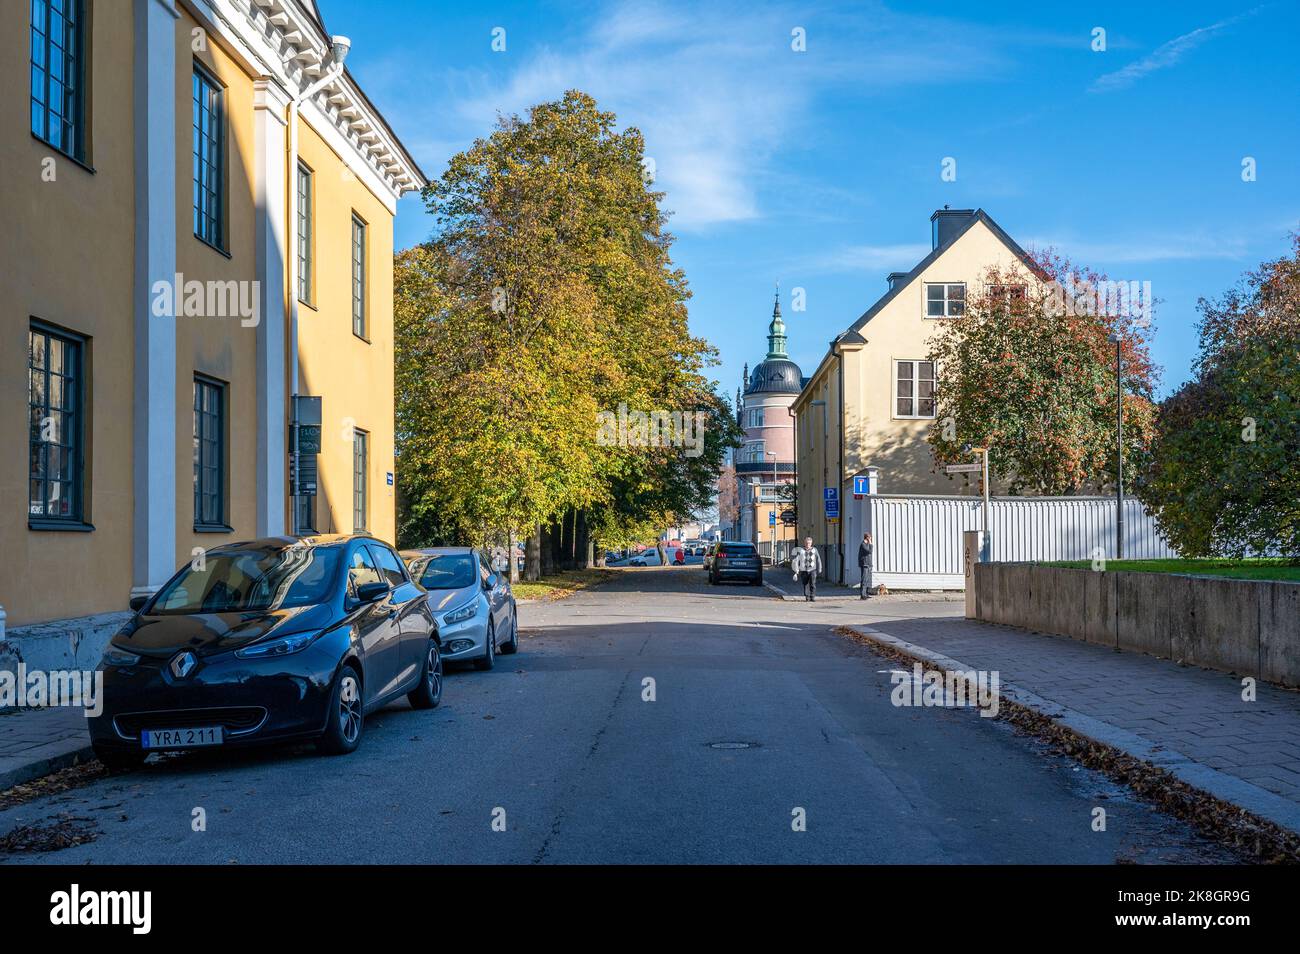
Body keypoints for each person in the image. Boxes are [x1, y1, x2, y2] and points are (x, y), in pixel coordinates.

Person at [791, 537, 823, 602]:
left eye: (809, 543)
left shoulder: (814, 550)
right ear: (804, 543)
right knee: (805, 584)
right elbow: (796, 560)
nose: (807, 544)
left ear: (811, 543)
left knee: (813, 584)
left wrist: (820, 568)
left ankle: (812, 597)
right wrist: (796, 570)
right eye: (806, 543)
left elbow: (818, 559)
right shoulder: (801, 550)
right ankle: (807, 597)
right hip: (803, 570)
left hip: (812, 570)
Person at [857, 532, 873, 599]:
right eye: (870, 538)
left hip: (868, 564)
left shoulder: (866, 544)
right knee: (864, 580)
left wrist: (871, 564)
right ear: (867, 538)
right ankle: (862, 595)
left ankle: (866, 593)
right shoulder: (863, 544)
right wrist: (871, 544)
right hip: (864, 564)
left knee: (867, 580)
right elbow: (869, 551)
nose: (870, 539)